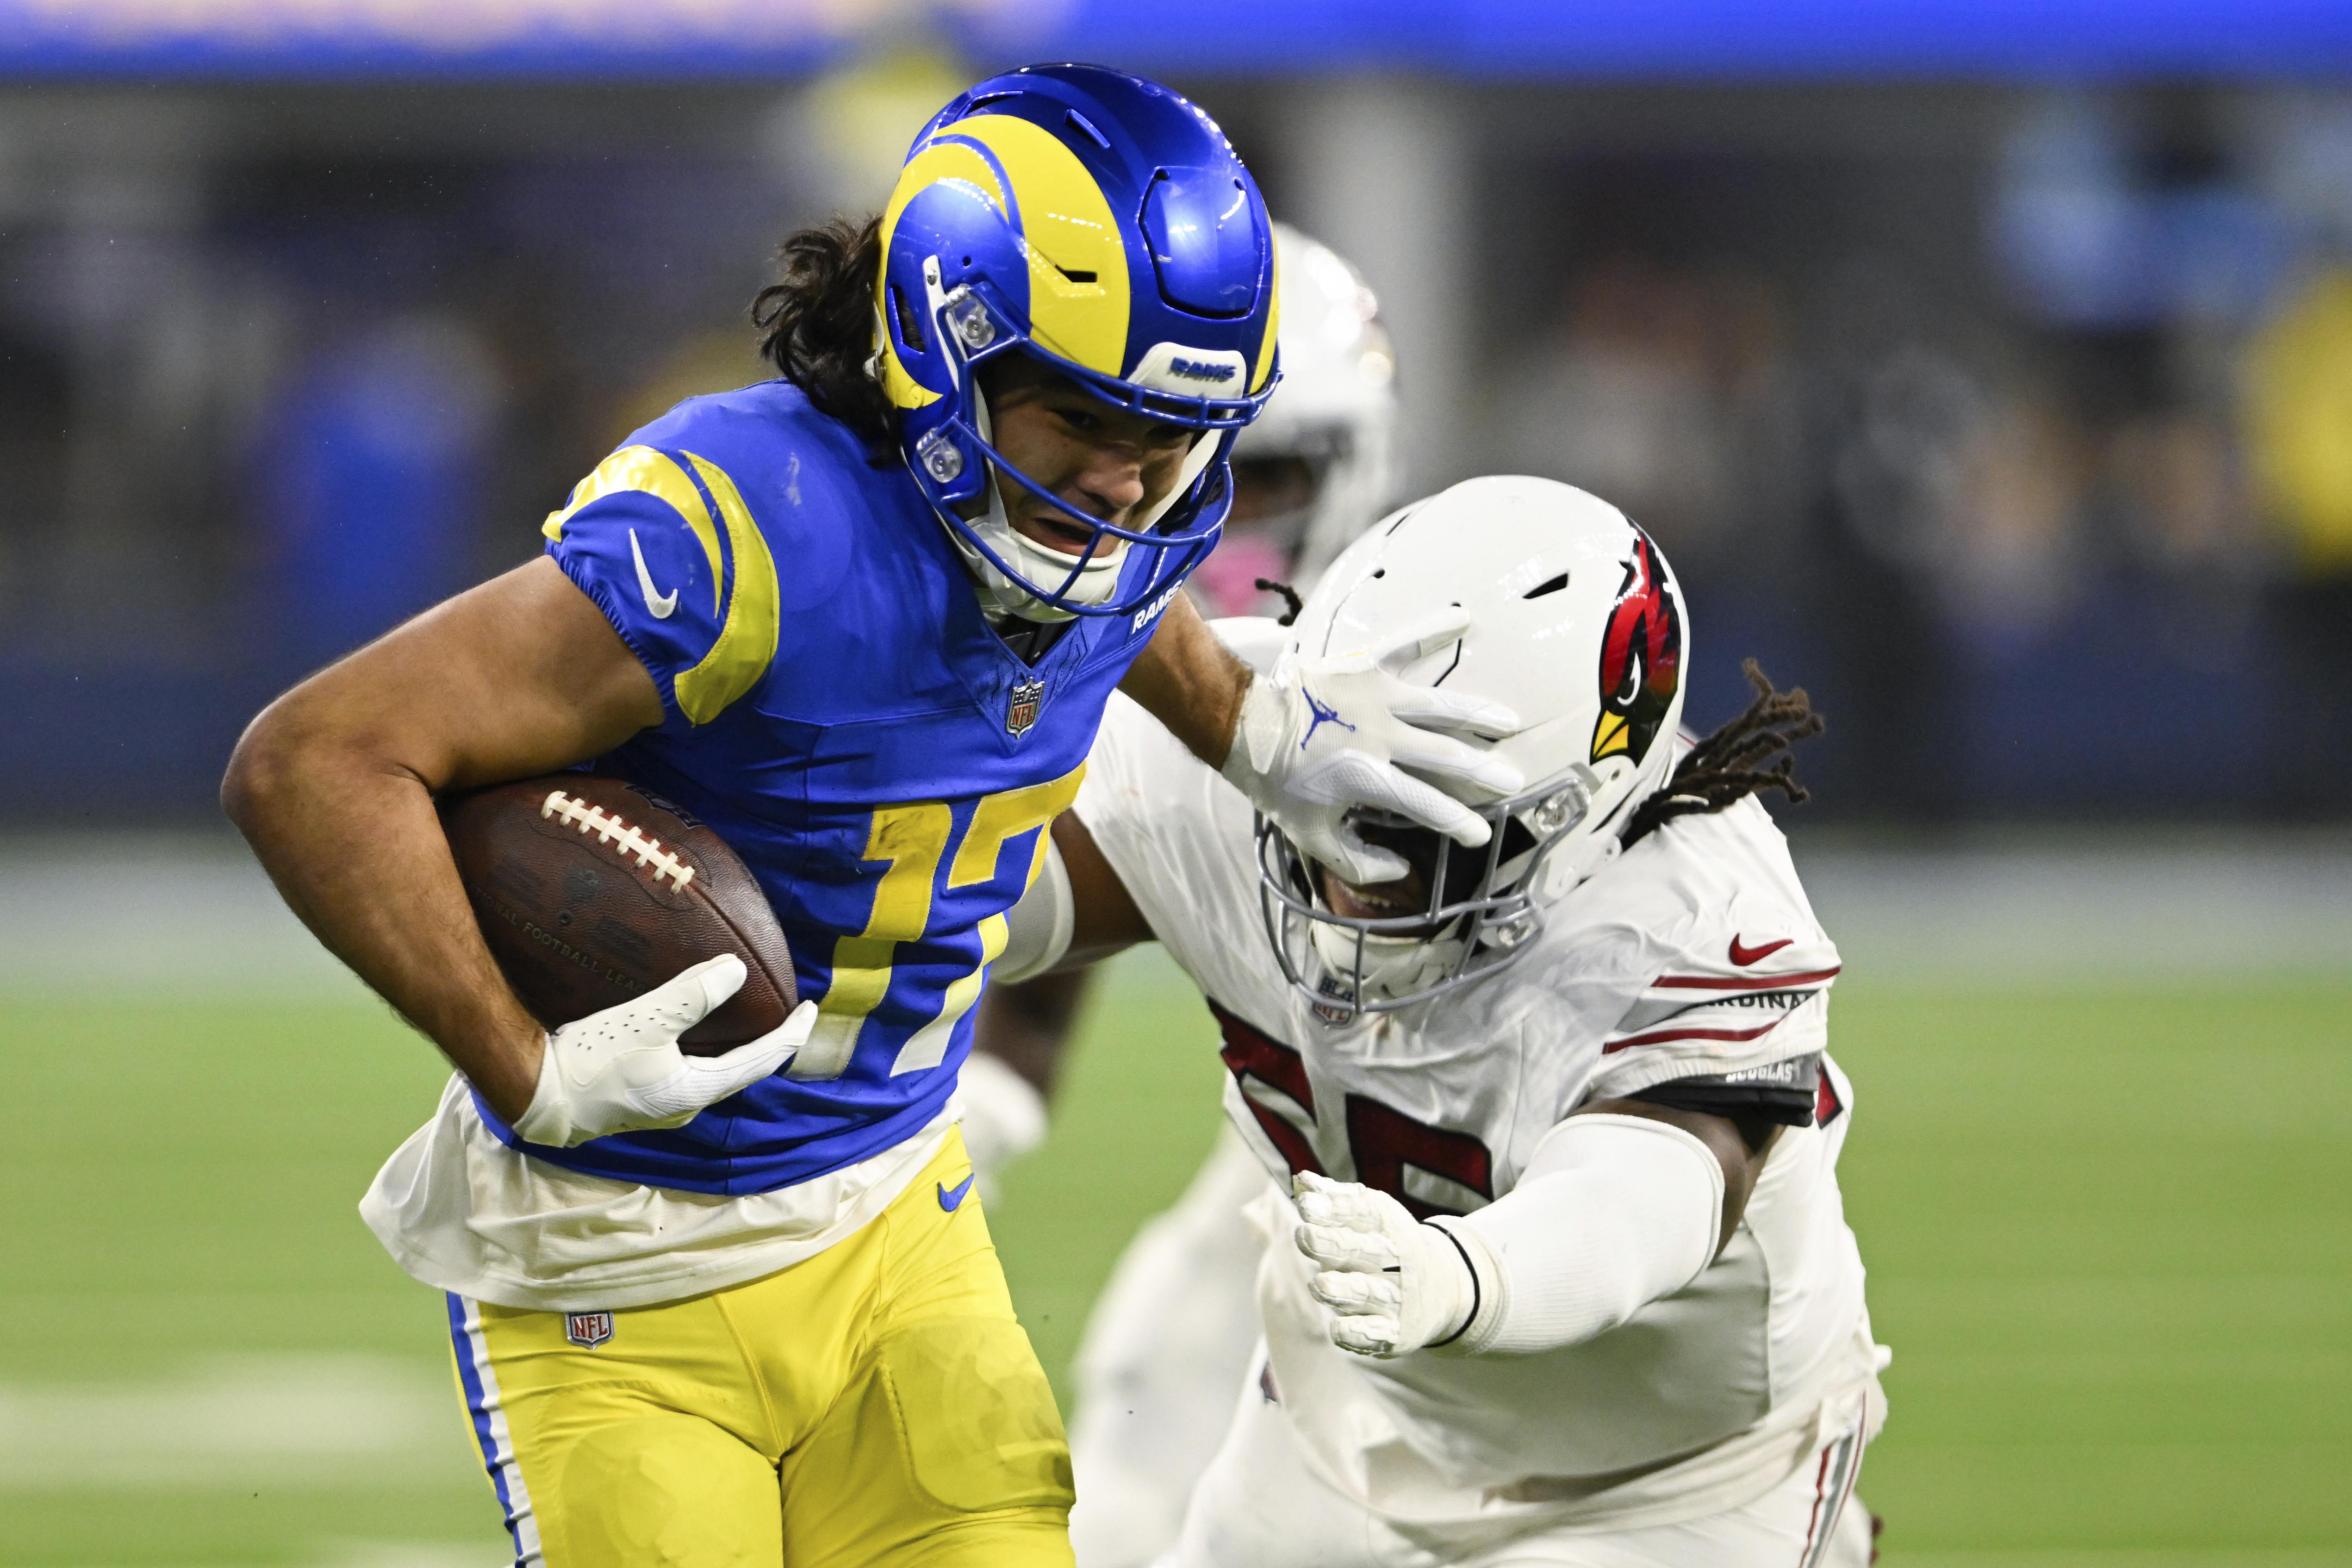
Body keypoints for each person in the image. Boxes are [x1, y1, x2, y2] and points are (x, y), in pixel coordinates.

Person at [220, 65, 1522, 1568]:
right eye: (1082, 418)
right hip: (624, 1251)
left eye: (1174, 435)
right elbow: (316, 757)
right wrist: (522, 1062)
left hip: (902, 1225)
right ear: (941, 358)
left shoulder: (1122, 511)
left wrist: (1251, 727)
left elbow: (1131, 571)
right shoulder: (754, 522)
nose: (1128, 483)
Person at [990, 475, 1886, 1567]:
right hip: (1351, 1411)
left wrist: (1466, 1276)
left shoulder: (1692, 917)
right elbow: (971, 893)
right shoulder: (1253, 741)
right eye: (1342, 796)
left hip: (1674, 1479)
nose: (1349, 862)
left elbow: (1647, 1195)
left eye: (1418, 826)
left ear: (1572, 823)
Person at [961, 221, 1405, 1568]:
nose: (1183, 505)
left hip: (1490, 1142)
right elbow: (1019, 915)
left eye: (1246, 470)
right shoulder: (1039, 626)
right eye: (1157, 447)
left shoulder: (1409, 663)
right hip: (1315, 1124)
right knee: (1183, 1350)